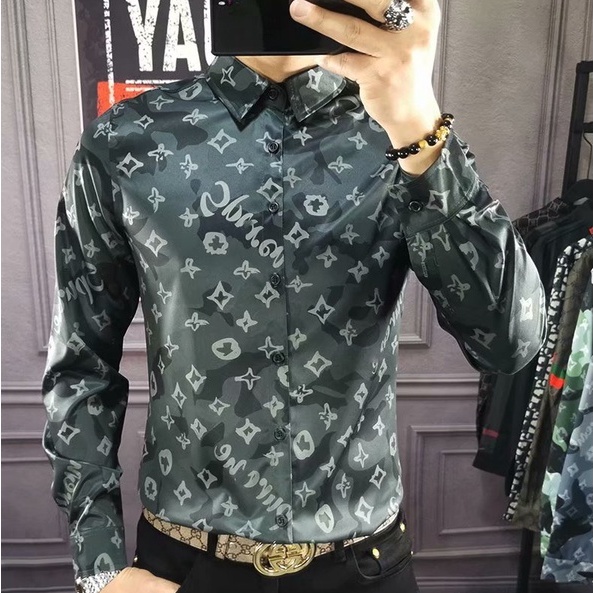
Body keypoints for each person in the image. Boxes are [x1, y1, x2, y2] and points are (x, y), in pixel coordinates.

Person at [40, 0, 545, 591]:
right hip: (183, 566)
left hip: (365, 567)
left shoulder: (402, 132)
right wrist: (100, 568)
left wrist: (422, 134)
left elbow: (509, 343)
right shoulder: (126, 141)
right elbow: (81, 364)